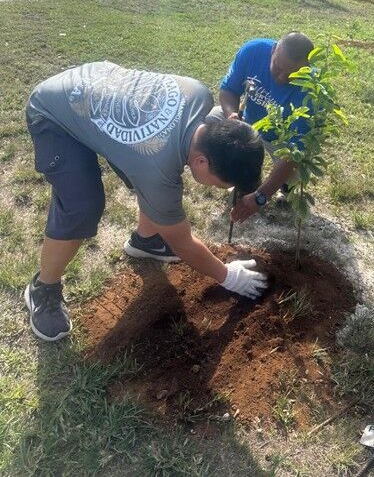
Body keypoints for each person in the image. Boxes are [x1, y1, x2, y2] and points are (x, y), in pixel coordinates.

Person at [24, 61, 268, 342]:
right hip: (54, 111)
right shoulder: (157, 167)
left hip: (93, 88)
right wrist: (228, 276)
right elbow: (182, 242)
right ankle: (43, 288)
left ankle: (146, 240)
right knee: (82, 205)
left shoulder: (199, 95)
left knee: (151, 181)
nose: (217, 189)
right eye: (220, 183)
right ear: (201, 161)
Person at [210, 32, 314, 222]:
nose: (282, 78)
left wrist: (263, 195)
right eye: (277, 69)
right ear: (274, 50)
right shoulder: (253, 51)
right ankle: (237, 177)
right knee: (210, 120)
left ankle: (285, 187)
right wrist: (231, 116)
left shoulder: (311, 92)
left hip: (282, 141)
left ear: (306, 69)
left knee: (295, 173)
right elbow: (228, 90)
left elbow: (294, 152)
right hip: (249, 124)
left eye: (292, 76)